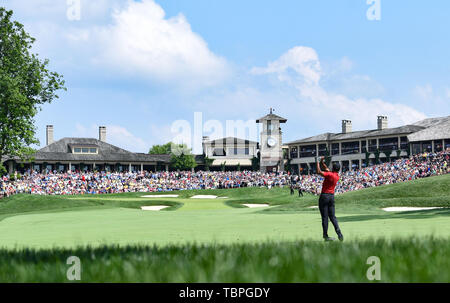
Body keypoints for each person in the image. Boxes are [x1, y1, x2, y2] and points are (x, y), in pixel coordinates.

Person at [316, 157, 344, 242]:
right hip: (331, 197)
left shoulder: (330, 174)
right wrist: (322, 162)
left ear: (333, 168)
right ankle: (339, 233)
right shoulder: (336, 176)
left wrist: (317, 162)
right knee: (332, 217)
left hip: (324, 196)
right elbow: (326, 168)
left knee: (325, 217)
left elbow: (319, 172)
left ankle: (325, 236)